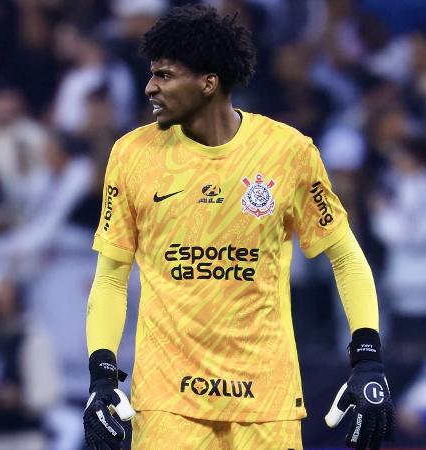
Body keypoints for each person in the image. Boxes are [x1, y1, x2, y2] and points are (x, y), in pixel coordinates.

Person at [83, 5, 395, 450]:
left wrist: (368, 359)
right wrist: (101, 374)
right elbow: (111, 276)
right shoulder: (132, 155)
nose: (151, 87)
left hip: (266, 399)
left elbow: (345, 256)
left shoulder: (287, 151)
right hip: (168, 400)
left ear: (208, 82)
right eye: (152, 74)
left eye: (165, 75)